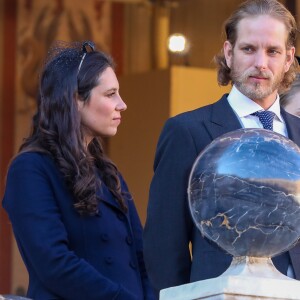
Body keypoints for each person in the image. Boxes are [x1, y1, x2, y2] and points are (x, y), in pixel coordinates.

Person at [143, 0, 300, 295]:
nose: (261, 64)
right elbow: (164, 244)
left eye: (273, 51)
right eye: (248, 49)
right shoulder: (186, 132)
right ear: (229, 53)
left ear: (289, 59)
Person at [2, 41, 156, 300]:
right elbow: (54, 264)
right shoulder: (30, 169)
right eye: (110, 94)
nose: (122, 104)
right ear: (75, 99)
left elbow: (142, 260)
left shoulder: (110, 174)